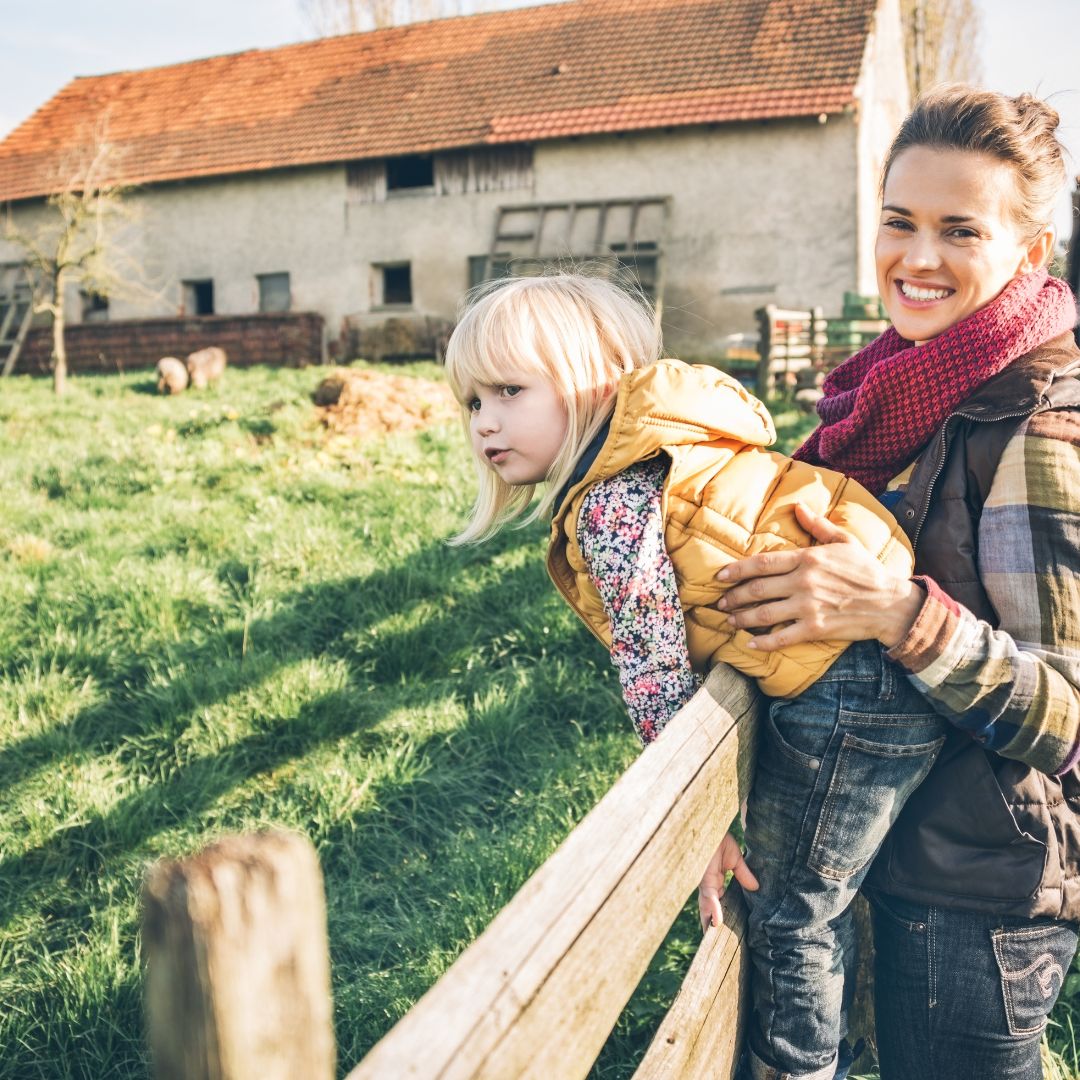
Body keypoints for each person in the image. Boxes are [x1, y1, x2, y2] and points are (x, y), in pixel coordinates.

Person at [443, 270, 948, 1080]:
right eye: (472, 401)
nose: (485, 423)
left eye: (509, 390)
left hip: (851, 693)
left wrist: (695, 815)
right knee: (817, 900)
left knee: (791, 914)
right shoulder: (683, 446)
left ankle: (801, 1070)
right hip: (870, 677)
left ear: (594, 379)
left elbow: (652, 664)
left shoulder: (611, 502)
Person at [715, 84, 1080, 1079]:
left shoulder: (1037, 427)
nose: (918, 258)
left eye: (961, 230)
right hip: (890, 845)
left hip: (981, 896)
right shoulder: (891, 393)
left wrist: (891, 610)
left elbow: (1067, 719)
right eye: (899, 222)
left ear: (1028, 252)